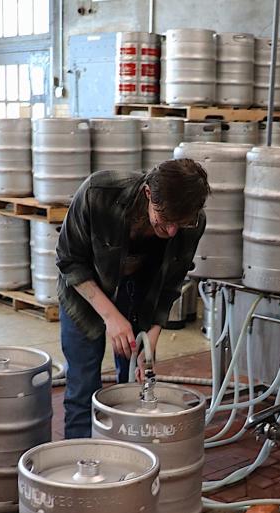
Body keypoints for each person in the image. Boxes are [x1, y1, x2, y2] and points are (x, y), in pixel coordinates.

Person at [55, 159, 211, 439]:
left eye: (181, 223)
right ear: (148, 193)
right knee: (82, 382)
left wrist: (152, 334)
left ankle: (127, 457)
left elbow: (172, 283)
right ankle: (79, 462)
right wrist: (111, 317)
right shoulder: (98, 192)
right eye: (165, 220)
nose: (173, 231)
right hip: (85, 291)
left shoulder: (193, 222)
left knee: (135, 383)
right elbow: (69, 261)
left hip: (139, 295)